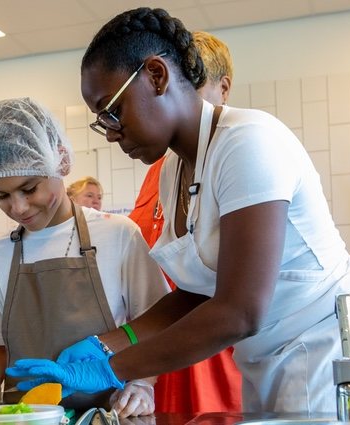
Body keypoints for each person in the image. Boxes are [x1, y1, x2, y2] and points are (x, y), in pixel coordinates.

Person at [6, 8, 350, 414]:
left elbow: (239, 311)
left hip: (322, 349)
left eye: (112, 111)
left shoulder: (249, 143)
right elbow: (195, 295)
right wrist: (106, 343)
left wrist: (111, 369)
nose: (112, 132)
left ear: (156, 76)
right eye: (102, 121)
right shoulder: (174, 169)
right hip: (267, 357)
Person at [0, 97, 170, 417]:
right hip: (27, 417)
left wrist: (141, 384)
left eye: (29, 189)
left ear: (61, 160)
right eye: (2, 195)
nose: (18, 207)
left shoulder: (118, 235)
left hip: (109, 415)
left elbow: (157, 324)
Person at [128, 30, 242, 414]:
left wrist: (116, 362)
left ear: (223, 89)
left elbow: (234, 300)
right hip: (162, 349)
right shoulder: (162, 170)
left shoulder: (239, 152)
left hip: (219, 349)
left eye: (195, 86)